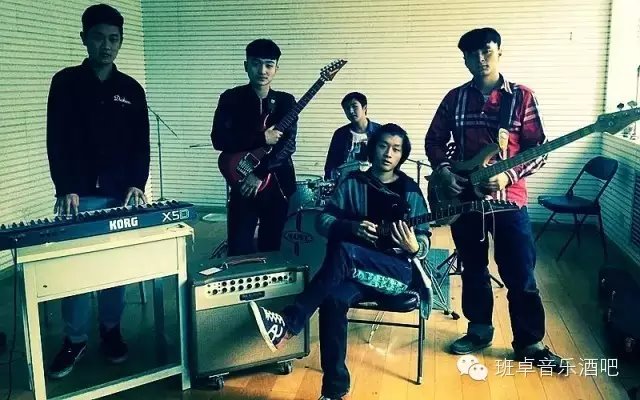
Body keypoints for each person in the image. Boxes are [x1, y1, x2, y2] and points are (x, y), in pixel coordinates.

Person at [250, 123, 432, 400]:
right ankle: (334, 390)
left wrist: (415, 246)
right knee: (333, 298)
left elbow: (424, 240)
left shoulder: (410, 191)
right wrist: (352, 227)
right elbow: (323, 221)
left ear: (402, 155)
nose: (388, 153)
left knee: (345, 252)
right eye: (383, 146)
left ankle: (289, 323)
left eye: (396, 149)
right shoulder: (352, 183)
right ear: (373, 148)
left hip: (395, 274)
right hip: (351, 273)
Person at [424, 27, 565, 372]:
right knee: (472, 268)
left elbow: (539, 149)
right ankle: (479, 329)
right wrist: (444, 171)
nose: (480, 59)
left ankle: (530, 343)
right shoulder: (455, 98)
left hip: (509, 201)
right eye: (471, 54)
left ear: (499, 52)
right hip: (464, 201)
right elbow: (434, 140)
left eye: (486, 51)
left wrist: (508, 175)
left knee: (520, 273)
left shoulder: (522, 97)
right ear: (465, 60)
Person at [45, 4, 150, 378]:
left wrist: (137, 183)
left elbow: (141, 144)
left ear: (120, 42)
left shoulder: (131, 89)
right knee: (76, 270)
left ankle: (110, 330)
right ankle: (74, 339)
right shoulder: (65, 83)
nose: (106, 46)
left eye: (113, 39)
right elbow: (56, 139)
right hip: (78, 195)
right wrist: (66, 187)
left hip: (120, 196)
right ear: (84, 39)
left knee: (114, 269)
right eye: (99, 38)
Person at [211, 39, 297, 256]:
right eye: (256, 63)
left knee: (273, 248)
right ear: (246, 65)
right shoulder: (230, 98)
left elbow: (287, 146)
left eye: (269, 65)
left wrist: (259, 174)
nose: (262, 70)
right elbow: (219, 140)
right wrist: (261, 138)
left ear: (276, 69)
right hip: (242, 183)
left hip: (277, 184)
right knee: (238, 248)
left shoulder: (286, 101)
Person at [323, 92, 380, 180]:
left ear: (364, 108)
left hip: (374, 182)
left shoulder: (380, 131)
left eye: (354, 106)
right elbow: (330, 165)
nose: (351, 111)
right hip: (346, 182)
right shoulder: (340, 134)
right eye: (347, 108)